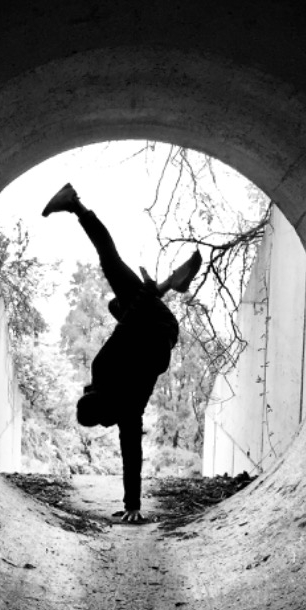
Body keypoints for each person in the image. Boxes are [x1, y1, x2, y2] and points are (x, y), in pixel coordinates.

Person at [42, 183, 202, 523]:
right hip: (154, 330)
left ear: (102, 406)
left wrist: (133, 506)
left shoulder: (113, 385)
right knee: (112, 270)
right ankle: (76, 206)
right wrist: (148, 293)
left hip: (153, 328)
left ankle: (165, 285)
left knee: (114, 291)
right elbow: (132, 451)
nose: (108, 422)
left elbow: (126, 326)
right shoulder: (113, 386)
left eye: (105, 419)